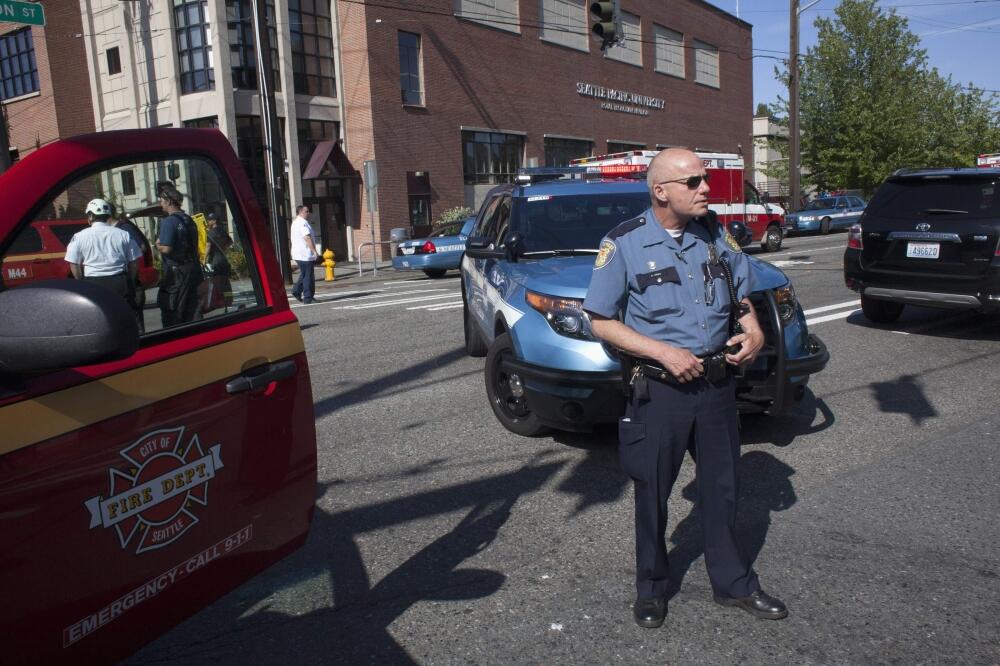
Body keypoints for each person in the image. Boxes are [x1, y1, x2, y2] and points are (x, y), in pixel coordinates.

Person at [582, 148, 786, 629]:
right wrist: (662, 352)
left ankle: (733, 584)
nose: (705, 188)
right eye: (692, 181)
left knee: (723, 489)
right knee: (652, 491)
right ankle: (652, 588)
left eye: (704, 178)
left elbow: (739, 292)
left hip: (716, 386)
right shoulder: (624, 244)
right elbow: (600, 320)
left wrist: (754, 330)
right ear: (661, 191)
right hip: (662, 390)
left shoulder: (713, 233)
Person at [65, 198, 142, 308]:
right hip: (120, 282)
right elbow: (134, 262)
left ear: (90, 216)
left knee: (99, 316)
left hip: (93, 284)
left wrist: (82, 282)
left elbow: (74, 264)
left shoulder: (79, 236)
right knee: (123, 315)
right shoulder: (124, 234)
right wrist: (130, 280)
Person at [155, 182, 202, 326]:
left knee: (172, 311)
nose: (161, 204)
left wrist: (157, 245)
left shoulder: (169, 222)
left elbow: (167, 249)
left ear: (168, 202)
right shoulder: (189, 219)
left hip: (177, 274)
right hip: (193, 269)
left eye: (162, 201)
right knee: (192, 310)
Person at [110, 204, 151, 332]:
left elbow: (142, 247)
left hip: (131, 283)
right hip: (121, 284)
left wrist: (126, 257)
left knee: (136, 325)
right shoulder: (111, 231)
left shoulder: (124, 228)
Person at [289, 204, 318, 304]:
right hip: (305, 254)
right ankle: (308, 298)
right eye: (306, 211)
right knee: (308, 276)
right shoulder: (302, 223)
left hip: (299, 254)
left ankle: (296, 291)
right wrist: (314, 251)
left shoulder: (296, 222)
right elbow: (307, 237)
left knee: (305, 274)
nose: (308, 213)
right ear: (301, 212)